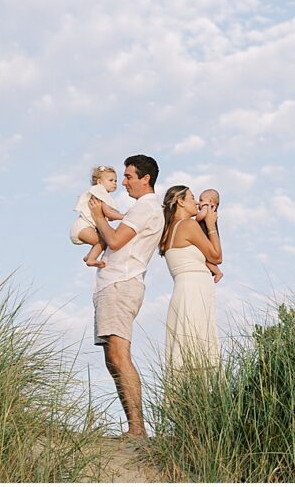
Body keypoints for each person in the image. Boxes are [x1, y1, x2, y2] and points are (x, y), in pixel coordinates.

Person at [87, 153, 163, 439]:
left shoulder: (145, 208)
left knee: (119, 356)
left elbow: (116, 240)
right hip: (113, 284)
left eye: (130, 176)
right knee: (112, 358)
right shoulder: (141, 209)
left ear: (146, 179)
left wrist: (97, 216)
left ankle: (137, 429)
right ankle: (135, 427)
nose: (125, 182)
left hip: (121, 284)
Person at [159, 185, 222, 372]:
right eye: (192, 197)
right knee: (198, 348)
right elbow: (216, 256)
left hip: (183, 292)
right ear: (180, 202)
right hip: (194, 291)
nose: (196, 202)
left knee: (184, 349)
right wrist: (211, 226)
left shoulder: (168, 230)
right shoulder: (188, 225)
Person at [72, 165, 124, 267]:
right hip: (83, 227)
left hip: (81, 227)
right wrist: (124, 216)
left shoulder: (99, 194)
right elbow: (108, 213)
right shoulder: (99, 192)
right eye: (111, 180)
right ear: (100, 182)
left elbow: (108, 215)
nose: (114, 183)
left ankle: (89, 256)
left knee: (101, 241)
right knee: (103, 241)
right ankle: (91, 259)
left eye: (116, 181)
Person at [196, 188, 224, 283]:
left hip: (206, 233)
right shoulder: (213, 211)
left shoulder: (206, 207)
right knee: (208, 258)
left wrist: (195, 220)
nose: (199, 203)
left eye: (201, 200)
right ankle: (217, 272)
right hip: (210, 234)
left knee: (204, 257)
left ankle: (217, 272)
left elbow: (200, 216)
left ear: (211, 202)